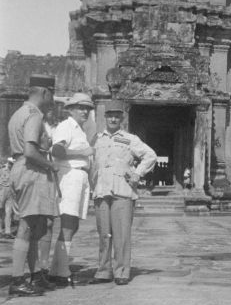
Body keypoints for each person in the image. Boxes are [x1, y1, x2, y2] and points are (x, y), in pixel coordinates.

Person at [90, 100, 156, 285]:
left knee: (121, 235)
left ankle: (121, 272)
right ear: (105, 117)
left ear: (122, 118)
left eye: (117, 116)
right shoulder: (96, 139)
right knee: (104, 234)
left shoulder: (130, 139)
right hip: (102, 191)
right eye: (110, 115)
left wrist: (137, 174)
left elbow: (150, 155)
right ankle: (103, 271)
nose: (113, 118)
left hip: (122, 192)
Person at [7, 74, 60, 296]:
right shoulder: (34, 115)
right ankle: (17, 279)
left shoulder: (19, 113)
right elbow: (30, 152)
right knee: (27, 227)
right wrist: (51, 165)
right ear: (45, 92)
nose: (52, 99)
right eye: (51, 95)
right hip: (31, 171)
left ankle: (35, 275)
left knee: (36, 227)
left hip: (24, 170)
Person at [48, 92, 95, 286]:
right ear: (71, 109)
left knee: (73, 224)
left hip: (81, 176)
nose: (85, 111)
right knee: (68, 223)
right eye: (81, 107)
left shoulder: (80, 129)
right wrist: (80, 152)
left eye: (87, 108)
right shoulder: (66, 126)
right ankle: (61, 270)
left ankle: (56, 268)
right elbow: (56, 150)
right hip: (70, 175)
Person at [0, 157, 17, 238]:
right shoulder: (2, 170)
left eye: (12, 163)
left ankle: (7, 232)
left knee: (9, 213)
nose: (11, 165)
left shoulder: (14, 170)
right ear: (8, 162)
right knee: (0, 212)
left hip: (10, 194)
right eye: (10, 163)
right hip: (1, 193)